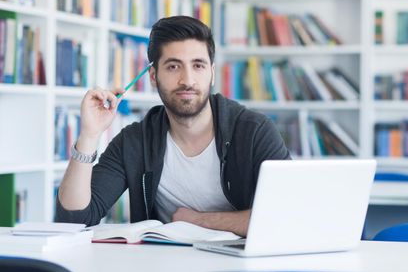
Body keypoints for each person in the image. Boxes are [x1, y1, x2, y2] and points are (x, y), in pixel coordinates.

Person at [55, 16, 291, 237]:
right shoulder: (135, 141)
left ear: (212, 73)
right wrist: (89, 135)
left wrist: (201, 220)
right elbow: (73, 220)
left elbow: (289, 215)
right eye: (173, 66)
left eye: (198, 65)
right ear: (153, 76)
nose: (187, 80)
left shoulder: (253, 131)